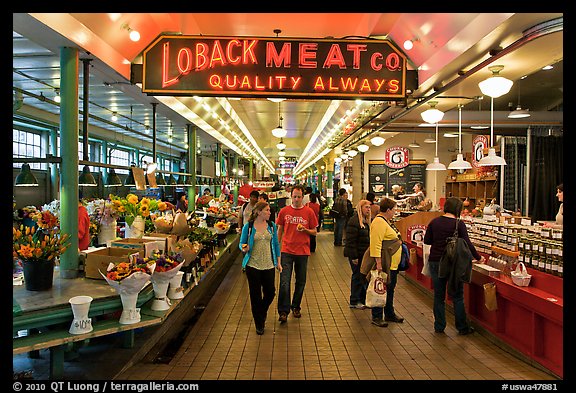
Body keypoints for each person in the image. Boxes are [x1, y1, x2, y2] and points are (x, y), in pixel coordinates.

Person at [424, 197, 485, 335]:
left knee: (439, 296)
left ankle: (439, 326)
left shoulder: (434, 222)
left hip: (435, 261)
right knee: (457, 296)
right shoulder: (459, 224)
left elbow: (427, 240)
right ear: (457, 209)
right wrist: (479, 257)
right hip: (453, 264)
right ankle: (462, 327)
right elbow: (467, 244)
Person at [276, 184, 318, 323]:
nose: (296, 199)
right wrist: (277, 246)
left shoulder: (309, 212)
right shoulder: (284, 211)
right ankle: (283, 310)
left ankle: (296, 306)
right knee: (284, 282)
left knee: (300, 281)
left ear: (303, 197)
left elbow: (314, 231)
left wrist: (305, 230)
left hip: (303, 251)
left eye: (299, 197)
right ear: (291, 196)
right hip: (287, 250)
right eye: (294, 197)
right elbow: (280, 229)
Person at [238, 201, 282, 335]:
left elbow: (276, 245)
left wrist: (278, 263)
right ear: (259, 212)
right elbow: (241, 243)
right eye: (267, 210)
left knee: (270, 292)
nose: (270, 213)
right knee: (255, 295)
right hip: (253, 265)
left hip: (268, 264)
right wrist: (244, 248)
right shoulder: (249, 227)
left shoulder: (272, 226)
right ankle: (259, 323)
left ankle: (261, 311)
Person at [368, 197, 405, 327]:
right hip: (384, 262)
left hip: (392, 264)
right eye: (394, 209)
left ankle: (389, 313)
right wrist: (378, 262)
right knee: (380, 288)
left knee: (390, 288)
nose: (395, 211)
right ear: (388, 210)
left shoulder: (386, 221)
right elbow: (376, 243)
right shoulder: (379, 222)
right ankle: (377, 316)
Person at [344, 199, 371, 309]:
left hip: (363, 253)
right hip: (356, 254)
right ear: (360, 208)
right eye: (366, 207)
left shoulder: (365, 222)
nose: (368, 209)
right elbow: (350, 240)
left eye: (369, 207)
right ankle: (354, 300)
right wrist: (354, 256)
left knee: (362, 276)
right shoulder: (354, 221)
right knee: (357, 276)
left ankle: (361, 299)